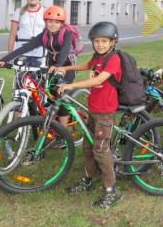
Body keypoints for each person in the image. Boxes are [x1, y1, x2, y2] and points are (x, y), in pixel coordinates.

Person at [52, 22, 123, 209]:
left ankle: (112, 190)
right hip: (94, 109)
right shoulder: (98, 57)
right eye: (97, 41)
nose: (100, 44)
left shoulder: (113, 59)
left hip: (105, 113)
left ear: (112, 42)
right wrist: (65, 69)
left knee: (100, 149)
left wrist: (71, 85)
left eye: (104, 41)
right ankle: (89, 179)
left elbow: (99, 79)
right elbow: (87, 65)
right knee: (87, 146)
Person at [0, 5, 76, 138]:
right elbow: (27, 47)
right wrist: (6, 59)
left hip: (67, 65)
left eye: (56, 22)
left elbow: (64, 51)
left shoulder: (66, 33)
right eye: (50, 21)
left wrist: (58, 66)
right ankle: (52, 123)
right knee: (50, 94)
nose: (52, 24)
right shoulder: (45, 34)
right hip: (52, 64)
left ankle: (64, 133)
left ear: (62, 24)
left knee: (61, 94)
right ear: (45, 22)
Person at [7, 0, 47, 66]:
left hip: (41, 53)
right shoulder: (19, 12)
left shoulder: (46, 12)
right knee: (21, 78)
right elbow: (12, 35)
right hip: (22, 53)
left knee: (40, 78)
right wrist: (9, 56)